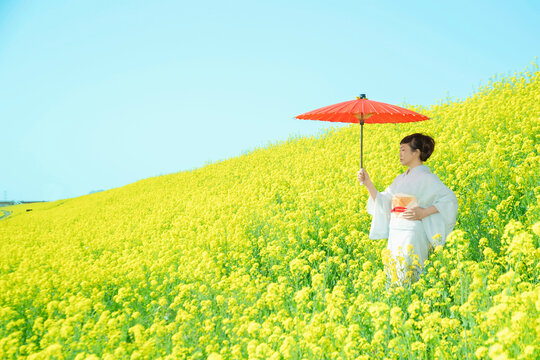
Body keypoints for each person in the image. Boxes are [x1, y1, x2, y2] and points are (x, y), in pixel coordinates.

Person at [357, 133, 458, 288]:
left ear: (416, 152)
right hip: (395, 232)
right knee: (394, 275)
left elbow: (449, 199)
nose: (400, 154)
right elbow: (384, 201)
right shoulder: (400, 179)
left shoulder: (428, 178)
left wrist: (423, 212)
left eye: (403, 150)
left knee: (409, 273)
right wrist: (368, 183)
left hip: (412, 232)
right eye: (399, 150)